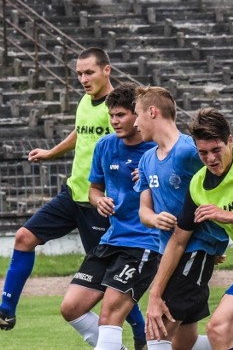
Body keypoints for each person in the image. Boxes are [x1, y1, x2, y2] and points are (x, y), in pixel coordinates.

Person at [0, 48, 147, 347]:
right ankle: (6, 310)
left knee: (113, 282)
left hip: (100, 205)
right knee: (24, 237)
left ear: (107, 70)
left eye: (89, 72)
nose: (82, 79)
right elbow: (81, 132)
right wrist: (52, 152)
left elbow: (147, 141)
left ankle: (142, 335)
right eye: (79, 73)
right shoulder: (85, 101)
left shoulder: (121, 110)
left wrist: (143, 173)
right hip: (72, 193)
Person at [145, 108, 233, 350]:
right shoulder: (198, 185)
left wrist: (228, 216)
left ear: (230, 140)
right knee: (218, 329)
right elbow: (178, 241)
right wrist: (155, 293)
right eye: (202, 153)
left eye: (216, 150)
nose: (210, 159)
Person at [59, 83, 159, 350]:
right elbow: (94, 189)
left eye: (121, 115)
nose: (114, 121)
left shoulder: (158, 150)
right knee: (71, 307)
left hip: (143, 243)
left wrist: (152, 181)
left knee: (109, 316)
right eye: (111, 115)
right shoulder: (105, 146)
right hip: (112, 238)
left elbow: (181, 193)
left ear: (137, 114)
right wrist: (99, 200)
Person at [132, 87, 212, 350]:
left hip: (192, 251)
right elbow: (143, 211)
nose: (135, 123)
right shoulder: (146, 159)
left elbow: (218, 187)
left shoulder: (190, 151)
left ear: (152, 112)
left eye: (137, 115)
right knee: (184, 342)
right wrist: (155, 219)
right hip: (166, 252)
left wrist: (217, 238)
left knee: (156, 334)